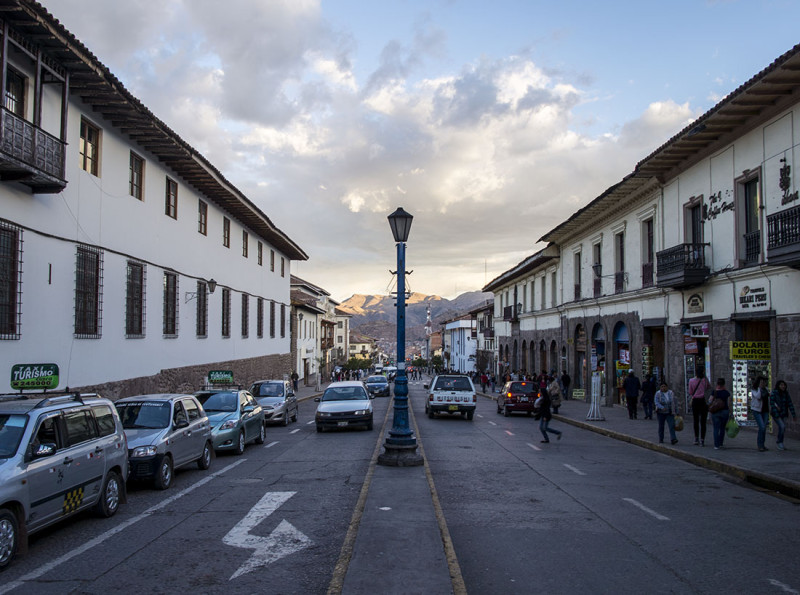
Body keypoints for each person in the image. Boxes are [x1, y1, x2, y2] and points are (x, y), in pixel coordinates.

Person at [770, 380, 797, 451]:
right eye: (781, 385)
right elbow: (772, 403)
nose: (783, 386)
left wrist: (793, 414)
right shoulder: (774, 393)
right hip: (776, 414)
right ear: (778, 386)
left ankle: (780, 442)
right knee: (782, 426)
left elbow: (790, 403)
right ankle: (779, 442)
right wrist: (776, 414)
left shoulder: (786, 394)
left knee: (782, 428)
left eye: (784, 385)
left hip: (784, 413)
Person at [688, 369, 711, 446]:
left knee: (696, 420)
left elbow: (690, 392)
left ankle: (696, 438)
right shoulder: (705, 380)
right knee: (703, 422)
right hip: (703, 401)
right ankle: (702, 439)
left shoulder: (691, 381)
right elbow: (708, 387)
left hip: (695, 401)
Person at [709, 378, 730, 450]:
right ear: (724, 384)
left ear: (717, 384)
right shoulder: (726, 392)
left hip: (716, 412)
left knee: (716, 428)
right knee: (722, 428)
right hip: (724, 411)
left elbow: (710, 400)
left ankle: (716, 445)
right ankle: (721, 443)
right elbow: (729, 403)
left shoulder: (714, 392)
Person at [750, 376, 770, 452]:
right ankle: (760, 445)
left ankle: (762, 445)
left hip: (765, 410)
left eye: (764, 382)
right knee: (762, 427)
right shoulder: (754, 390)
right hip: (756, 410)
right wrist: (759, 388)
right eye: (762, 382)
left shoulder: (766, 390)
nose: (763, 383)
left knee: (763, 428)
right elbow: (758, 396)